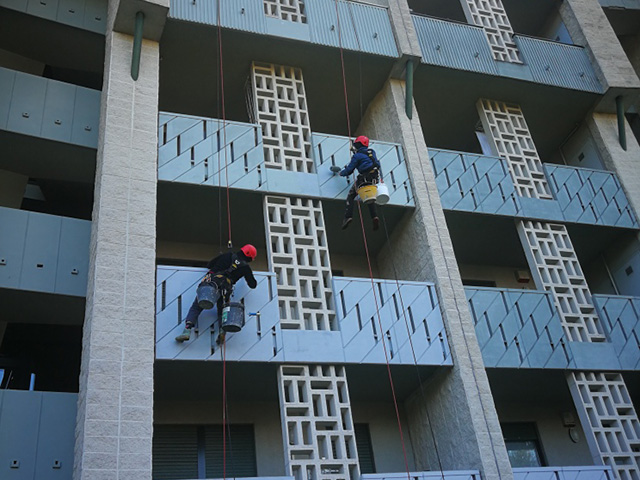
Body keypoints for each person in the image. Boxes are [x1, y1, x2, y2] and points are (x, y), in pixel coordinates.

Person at [175, 244, 258, 342]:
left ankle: (187, 330)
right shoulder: (245, 268)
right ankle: (222, 332)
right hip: (225, 288)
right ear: (249, 257)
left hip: (211, 283)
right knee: (222, 310)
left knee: (197, 307)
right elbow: (253, 284)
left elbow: (209, 264)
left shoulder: (227, 255)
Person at [340, 135, 381, 231]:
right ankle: (374, 216)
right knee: (369, 196)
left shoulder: (357, 156)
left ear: (358, 145)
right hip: (374, 178)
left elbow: (350, 170)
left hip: (364, 178)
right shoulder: (371, 152)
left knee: (351, 195)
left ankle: (348, 216)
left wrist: (341, 173)